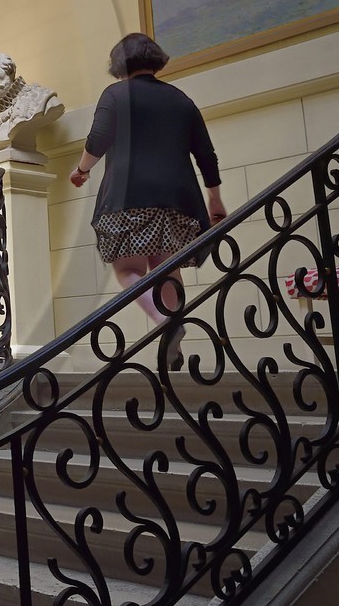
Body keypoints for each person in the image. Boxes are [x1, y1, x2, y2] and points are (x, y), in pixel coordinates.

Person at [69, 33, 226, 367]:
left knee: (128, 268)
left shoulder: (116, 95)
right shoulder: (181, 100)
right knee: (165, 266)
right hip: (178, 199)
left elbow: (98, 139)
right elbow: (206, 155)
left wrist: (81, 170)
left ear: (118, 64)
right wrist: (215, 199)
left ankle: (165, 322)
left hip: (128, 196)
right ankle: (175, 335)